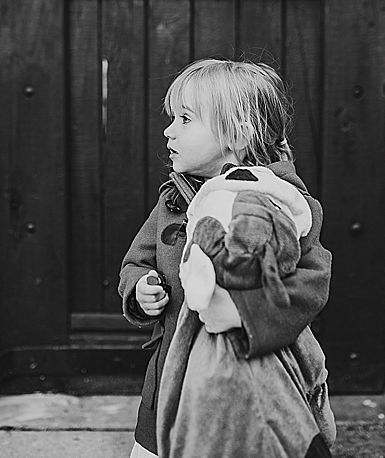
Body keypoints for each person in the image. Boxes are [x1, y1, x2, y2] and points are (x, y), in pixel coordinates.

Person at [120, 60, 333, 458]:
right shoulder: (172, 201)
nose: (169, 130)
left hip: (247, 383)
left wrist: (242, 312)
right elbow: (136, 262)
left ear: (237, 132)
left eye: (186, 119)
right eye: (172, 118)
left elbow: (312, 284)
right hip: (171, 380)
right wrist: (141, 288)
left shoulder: (284, 206)